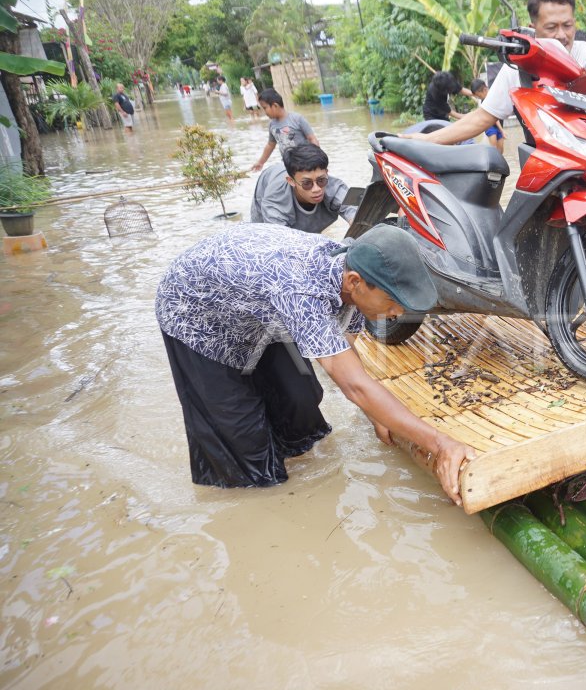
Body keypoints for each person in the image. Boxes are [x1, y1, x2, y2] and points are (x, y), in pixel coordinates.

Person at [156, 223, 475, 503]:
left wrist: (379, 415)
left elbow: (351, 363)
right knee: (244, 452)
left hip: (259, 307)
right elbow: (353, 385)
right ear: (354, 282)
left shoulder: (349, 280)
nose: (397, 314)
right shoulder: (302, 291)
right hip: (196, 314)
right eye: (393, 302)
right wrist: (441, 444)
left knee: (301, 404)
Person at [409, 0, 586, 146]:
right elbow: (481, 118)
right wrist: (426, 139)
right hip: (552, 168)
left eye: (567, 25)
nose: (562, 35)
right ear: (534, 29)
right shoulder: (516, 69)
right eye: (551, 27)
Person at [250, 143, 358, 234]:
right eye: (307, 183)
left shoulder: (335, 187)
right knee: (261, 234)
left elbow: (358, 214)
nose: (316, 189)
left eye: (321, 180)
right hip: (268, 182)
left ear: (326, 173)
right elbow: (281, 242)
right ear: (291, 181)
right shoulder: (274, 203)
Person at [250, 88, 319, 171]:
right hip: (287, 164)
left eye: (265, 108)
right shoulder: (272, 125)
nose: (264, 112)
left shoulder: (297, 119)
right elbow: (270, 145)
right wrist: (260, 162)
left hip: (304, 161)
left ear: (275, 106)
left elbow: (312, 138)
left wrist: (317, 158)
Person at [470, 78, 505, 154]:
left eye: (479, 96)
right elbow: (494, 116)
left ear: (484, 89)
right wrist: (502, 130)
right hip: (490, 126)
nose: (479, 98)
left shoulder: (493, 95)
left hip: (499, 125)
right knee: (494, 149)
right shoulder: (485, 101)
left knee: (501, 150)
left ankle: (498, 164)